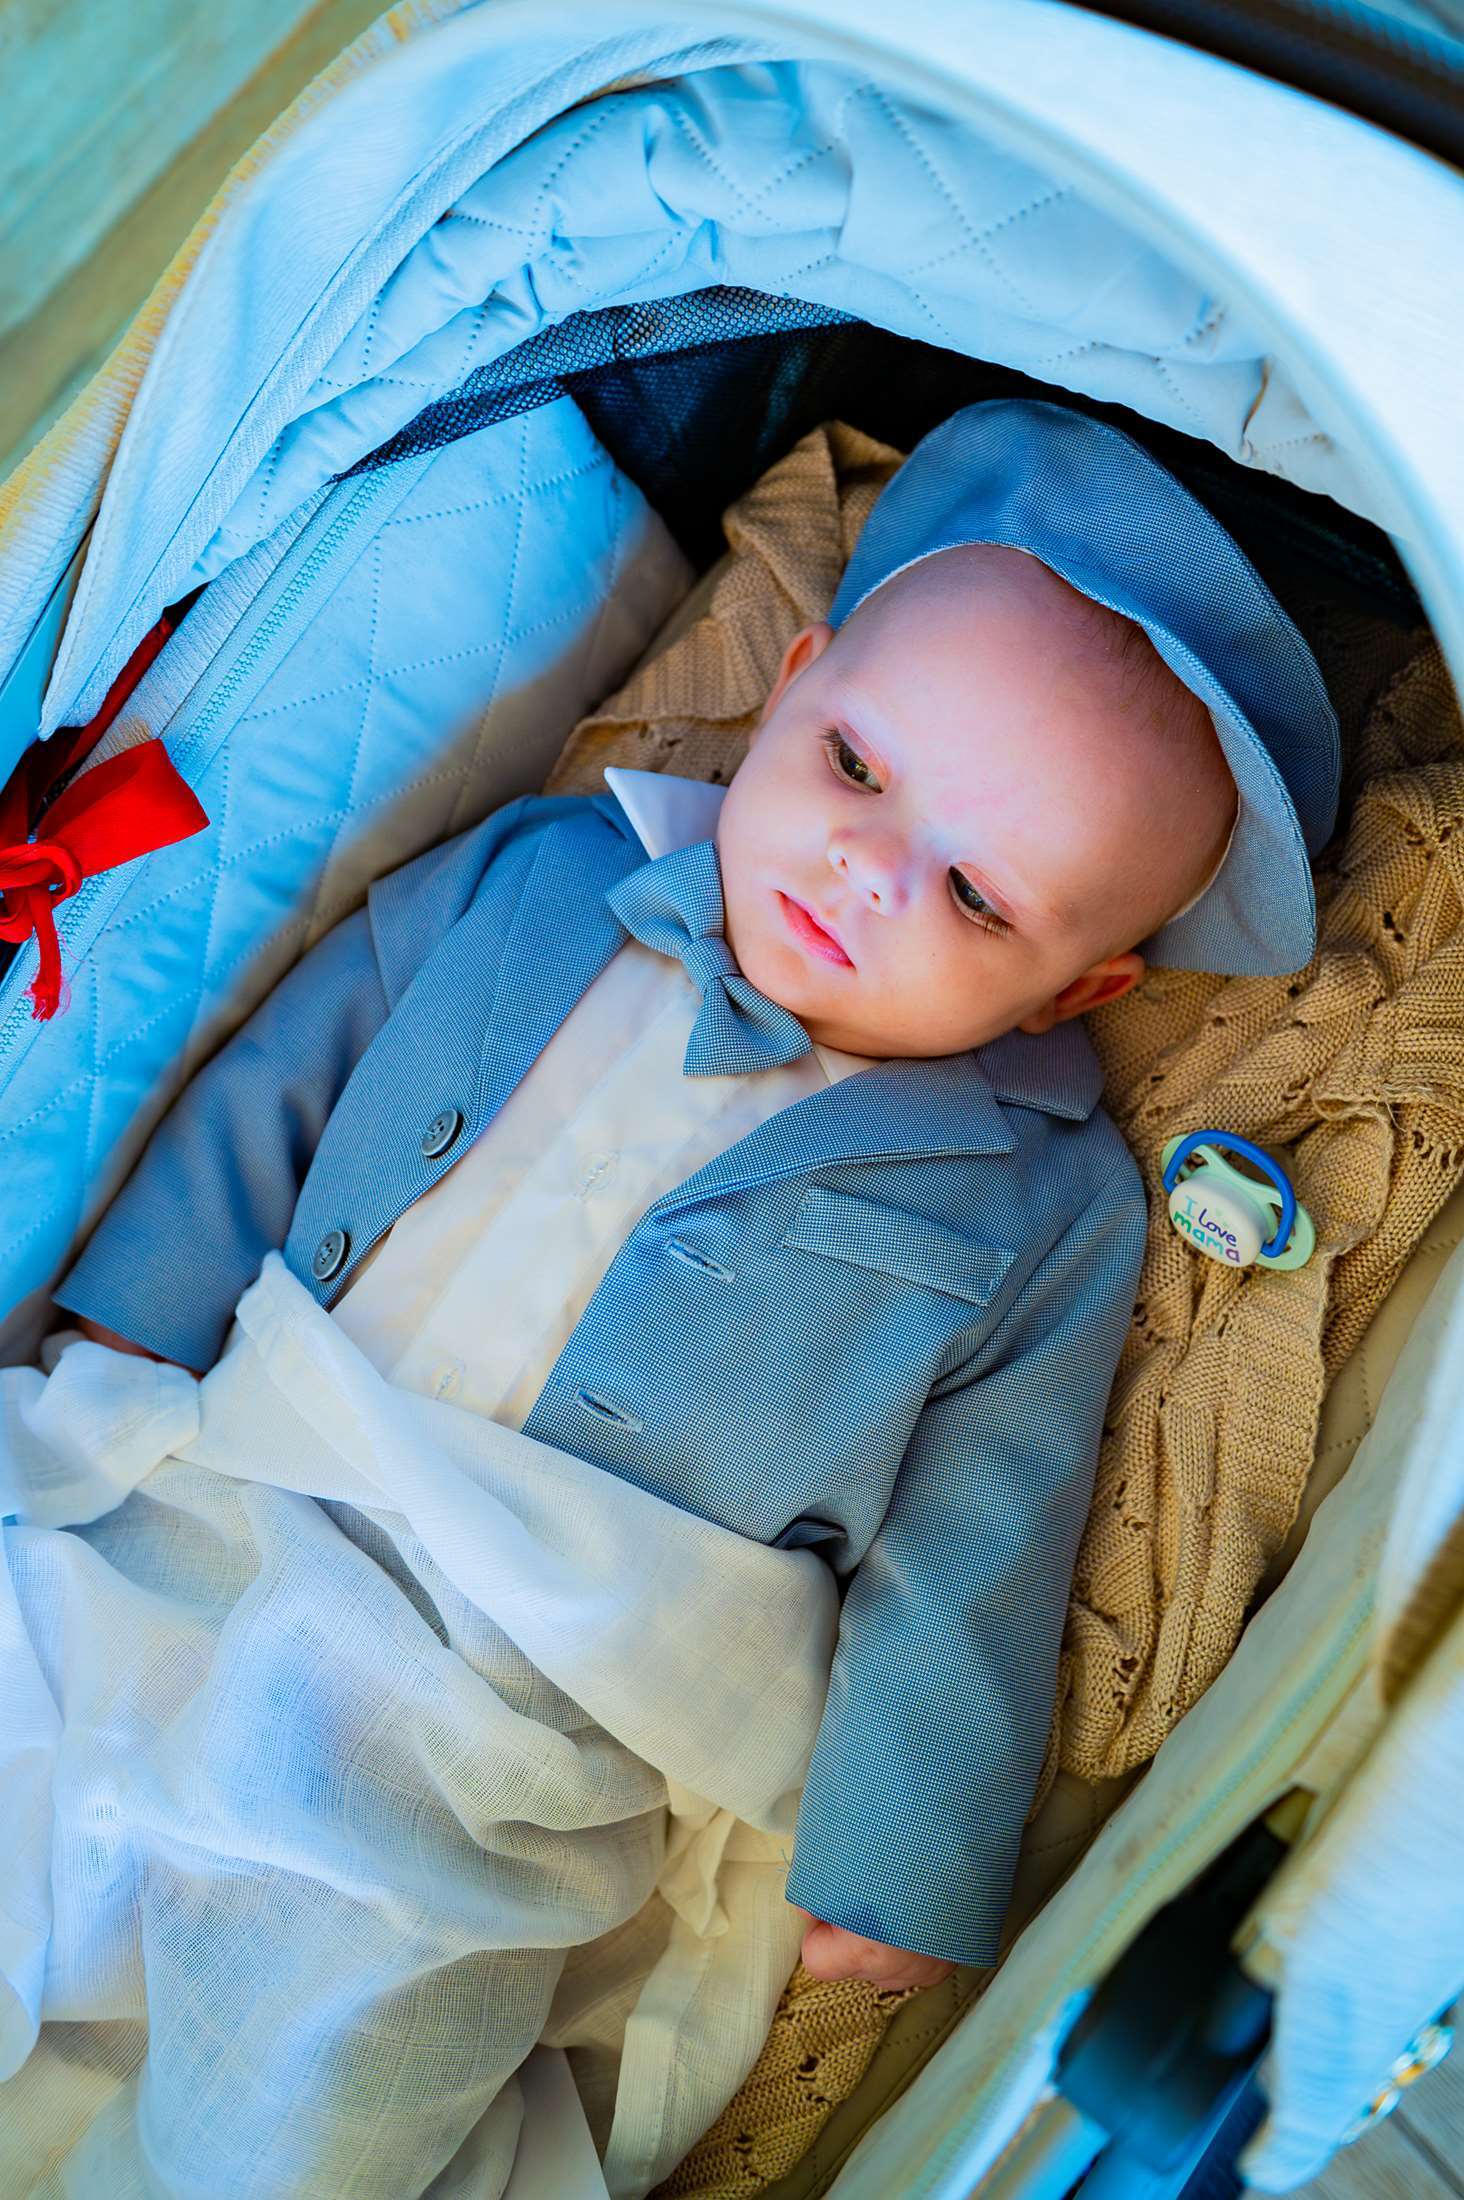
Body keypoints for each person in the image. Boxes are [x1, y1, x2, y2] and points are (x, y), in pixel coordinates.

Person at [49, 398, 1340, 1996]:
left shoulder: (1040, 1205)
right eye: (856, 765)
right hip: (249, 1463)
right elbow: (294, 1065)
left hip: (549, 1687)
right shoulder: (545, 872)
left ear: (1077, 993)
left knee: (344, 1998)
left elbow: (984, 1535)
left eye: (974, 896)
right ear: (792, 687)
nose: (868, 867)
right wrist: (139, 1305)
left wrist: (908, 1850)